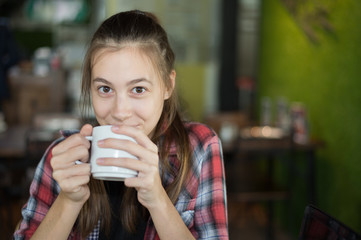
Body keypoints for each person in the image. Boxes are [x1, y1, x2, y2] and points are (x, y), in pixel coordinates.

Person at [14, 10, 228, 240]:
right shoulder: (65, 157)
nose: (119, 112)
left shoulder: (199, 148)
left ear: (167, 85)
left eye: (138, 89)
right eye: (105, 89)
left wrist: (157, 199)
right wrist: (68, 200)